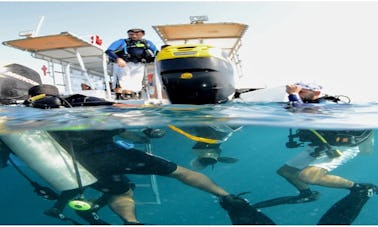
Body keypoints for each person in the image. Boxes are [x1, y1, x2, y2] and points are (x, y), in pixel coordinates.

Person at [14, 84, 274, 225]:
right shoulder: (79, 100)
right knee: (180, 172)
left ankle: (132, 222)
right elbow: (121, 119)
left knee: (121, 191)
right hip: (114, 153)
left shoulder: (24, 115)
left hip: (81, 165)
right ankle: (229, 198)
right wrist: (148, 130)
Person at [252, 82, 376, 218]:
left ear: (316, 93)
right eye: (298, 92)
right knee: (286, 172)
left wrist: (293, 94)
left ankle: (359, 187)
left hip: (342, 147)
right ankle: (307, 194)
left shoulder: (329, 104)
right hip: (321, 144)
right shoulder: (303, 103)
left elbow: (304, 114)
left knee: (307, 176)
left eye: (302, 92)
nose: (299, 94)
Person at [105, 28, 157, 100]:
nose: (134, 36)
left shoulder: (147, 43)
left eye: (137, 34)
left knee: (136, 85)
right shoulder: (122, 42)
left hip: (139, 65)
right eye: (131, 34)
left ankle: (135, 98)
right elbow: (109, 51)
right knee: (122, 82)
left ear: (142, 34)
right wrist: (118, 59)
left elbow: (156, 52)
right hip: (123, 64)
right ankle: (119, 97)